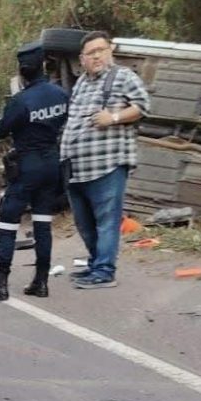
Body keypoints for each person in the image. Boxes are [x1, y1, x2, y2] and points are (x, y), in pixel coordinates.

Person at [0, 43, 69, 301]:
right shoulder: (60, 95)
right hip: (52, 164)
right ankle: (41, 282)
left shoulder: (20, 101)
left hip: (27, 164)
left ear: (22, 71)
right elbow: (64, 122)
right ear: (44, 66)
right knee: (42, 222)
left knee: (8, 219)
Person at [60, 30, 150, 289]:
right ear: (82, 59)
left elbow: (143, 106)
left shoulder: (122, 76)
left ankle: (104, 271)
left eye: (102, 49)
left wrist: (112, 118)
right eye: (91, 52)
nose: (97, 55)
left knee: (107, 221)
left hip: (107, 164)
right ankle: (95, 263)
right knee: (84, 222)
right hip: (76, 166)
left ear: (110, 51)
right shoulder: (81, 83)